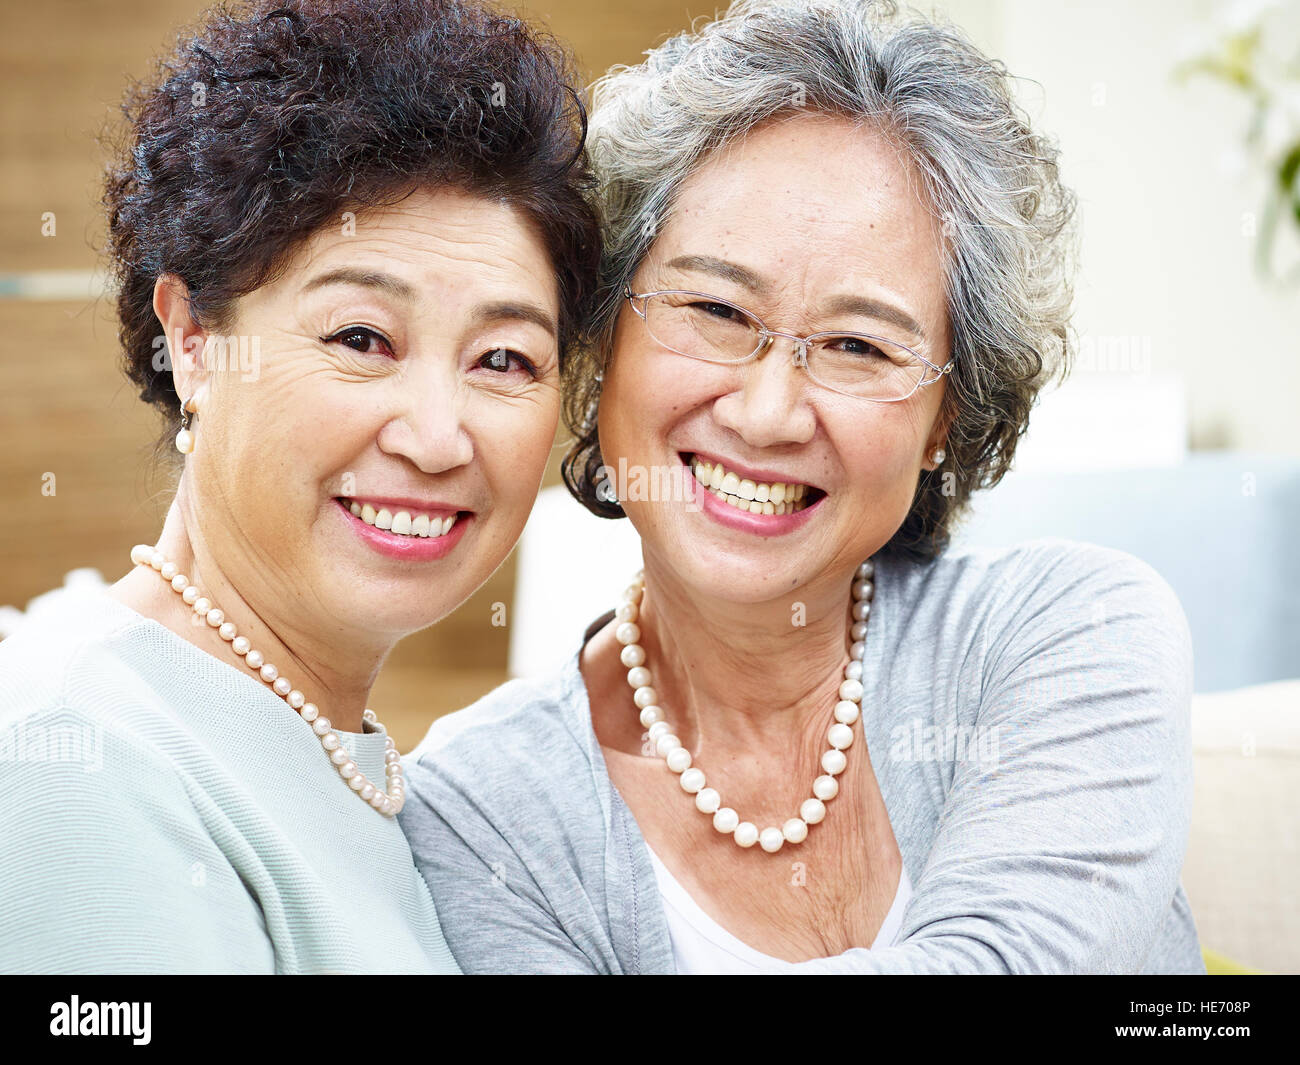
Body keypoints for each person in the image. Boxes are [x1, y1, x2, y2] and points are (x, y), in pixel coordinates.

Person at [398, 0, 1205, 973]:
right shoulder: (477, 809)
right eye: (715, 308)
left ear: (947, 416)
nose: (768, 411)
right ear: (605, 336)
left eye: (859, 345)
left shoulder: (1071, 636)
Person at [0, 0, 599, 974]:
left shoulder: (339, 748)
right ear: (193, 343)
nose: (438, 437)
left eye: (503, 359)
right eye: (361, 339)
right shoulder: (80, 757)